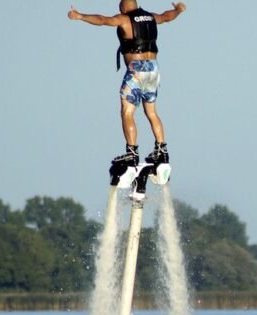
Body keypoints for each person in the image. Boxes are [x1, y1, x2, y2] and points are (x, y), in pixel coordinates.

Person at [68, 1, 186, 195]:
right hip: (154, 70)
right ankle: (162, 151)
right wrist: (179, 10)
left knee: (127, 111)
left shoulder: (124, 19)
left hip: (136, 70)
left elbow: (103, 20)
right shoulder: (150, 17)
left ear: (123, 7)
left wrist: (80, 16)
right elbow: (167, 16)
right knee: (152, 112)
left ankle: (131, 154)